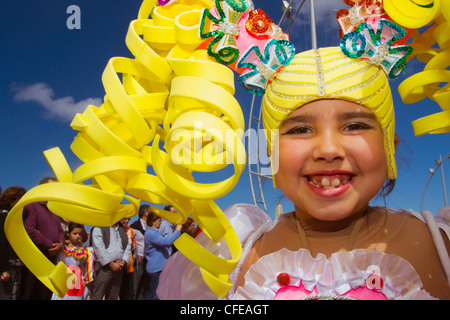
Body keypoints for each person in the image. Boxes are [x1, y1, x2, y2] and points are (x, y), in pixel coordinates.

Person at [154, 1, 450, 300]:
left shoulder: (442, 245)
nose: (328, 149)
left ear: (389, 146)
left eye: (354, 126)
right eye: (299, 130)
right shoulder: (229, 256)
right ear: (270, 155)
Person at [21, 177, 65, 300]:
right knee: (30, 293)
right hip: (35, 259)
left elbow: (60, 231)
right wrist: (50, 244)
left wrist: (60, 245)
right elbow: (29, 230)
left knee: (45, 293)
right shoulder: (31, 205)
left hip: (51, 258)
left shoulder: (54, 209)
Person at [144, 211, 182, 300]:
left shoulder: (153, 232)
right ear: (153, 221)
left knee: (157, 293)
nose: (161, 222)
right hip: (156, 268)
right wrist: (177, 230)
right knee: (154, 294)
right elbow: (166, 242)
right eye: (159, 220)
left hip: (159, 267)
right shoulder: (150, 233)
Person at [51, 222, 94, 300]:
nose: (77, 236)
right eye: (75, 233)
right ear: (68, 234)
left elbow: (85, 266)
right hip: (64, 276)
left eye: (79, 234)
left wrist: (84, 279)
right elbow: (58, 262)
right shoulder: (63, 248)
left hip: (77, 278)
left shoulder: (83, 251)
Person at [90, 221, 131, 300]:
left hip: (119, 267)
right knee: (98, 295)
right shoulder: (100, 226)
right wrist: (110, 263)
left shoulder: (121, 228)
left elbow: (127, 246)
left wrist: (124, 261)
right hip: (104, 268)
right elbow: (98, 247)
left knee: (113, 296)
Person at [0, 186, 27, 300]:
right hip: (7, 268)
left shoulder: (16, 219)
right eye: (20, 200)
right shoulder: (4, 217)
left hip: (16, 267)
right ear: (12, 201)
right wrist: (4, 269)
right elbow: (2, 243)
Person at [129, 204, 150, 299]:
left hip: (149, 259)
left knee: (144, 286)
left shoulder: (151, 226)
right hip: (139, 260)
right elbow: (130, 242)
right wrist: (135, 254)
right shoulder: (135, 226)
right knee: (135, 285)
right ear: (146, 213)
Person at [119, 218, 138, 300]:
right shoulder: (114, 230)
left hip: (129, 267)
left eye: (128, 219)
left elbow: (133, 246)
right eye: (124, 219)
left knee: (128, 295)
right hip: (117, 267)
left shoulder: (130, 230)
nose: (127, 221)